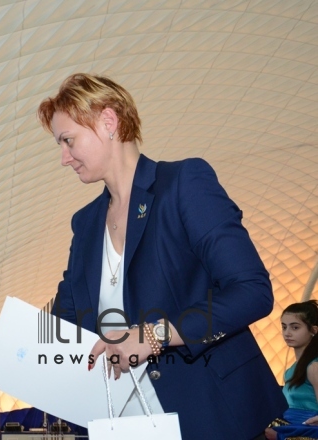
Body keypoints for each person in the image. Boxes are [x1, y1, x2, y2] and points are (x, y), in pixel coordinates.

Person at [36, 73, 287, 439]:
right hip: (125, 423)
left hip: (208, 413)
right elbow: (63, 323)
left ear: (108, 122)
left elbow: (252, 291)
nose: (63, 158)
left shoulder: (184, 183)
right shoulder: (86, 223)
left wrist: (154, 335)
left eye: (68, 140)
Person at [266, 301, 318, 440]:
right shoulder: (292, 369)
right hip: (288, 424)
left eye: (295, 328)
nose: (287, 333)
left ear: (313, 330)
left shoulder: (314, 366)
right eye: (284, 327)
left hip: (303, 430)